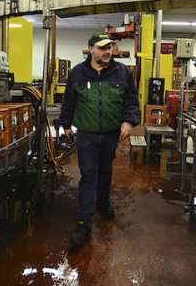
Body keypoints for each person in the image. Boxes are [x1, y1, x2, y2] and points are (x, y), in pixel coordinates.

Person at [59, 32, 140, 247]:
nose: (107, 52)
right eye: (103, 48)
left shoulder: (122, 72)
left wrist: (129, 121)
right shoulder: (78, 73)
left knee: (106, 170)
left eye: (109, 48)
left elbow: (132, 99)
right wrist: (66, 125)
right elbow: (69, 101)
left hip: (112, 133)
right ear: (91, 49)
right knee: (88, 175)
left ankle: (103, 200)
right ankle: (85, 223)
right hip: (86, 134)